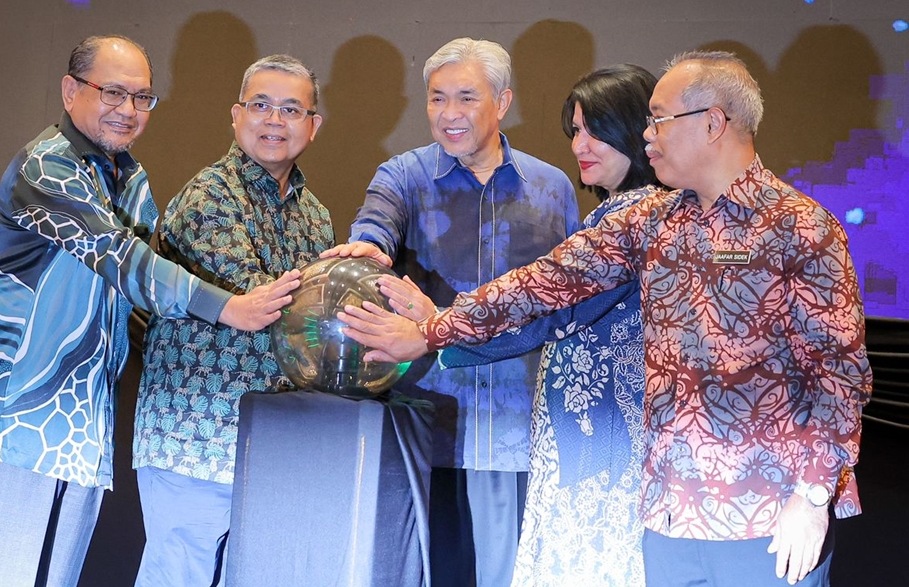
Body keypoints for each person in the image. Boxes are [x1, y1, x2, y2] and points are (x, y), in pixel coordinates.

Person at [338, 50, 872, 587]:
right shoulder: (651, 221)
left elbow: (839, 375)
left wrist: (812, 496)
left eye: (658, 120)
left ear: (713, 123)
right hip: (668, 515)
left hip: (767, 514)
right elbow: (543, 285)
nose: (648, 136)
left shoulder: (800, 227)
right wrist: (432, 330)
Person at [0, 36, 300, 587]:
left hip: (81, 420)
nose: (128, 110)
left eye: (141, 97)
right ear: (70, 91)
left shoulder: (128, 176)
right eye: (112, 92)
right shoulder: (47, 165)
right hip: (12, 412)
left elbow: (147, 287)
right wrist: (230, 307)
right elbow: (119, 258)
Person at [321, 37, 580, 587]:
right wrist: (369, 246)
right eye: (437, 98)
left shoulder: (551, 188)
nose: (448, 114)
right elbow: (375, 223)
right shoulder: (404, 175)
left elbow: (568, 301)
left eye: (466, 97)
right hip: (426, 424)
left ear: (502, 102)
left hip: (517, 432)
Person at [417, 64, 660, 587]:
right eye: (576, 130)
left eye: (596, 131)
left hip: (603, 433)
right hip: (593, 429)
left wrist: (433, 330)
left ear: (638, 131)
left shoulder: (635, 215)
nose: (580, 145)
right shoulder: (632, 212)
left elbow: (545, 304)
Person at [131, 54, 332, 587]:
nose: (274, 120)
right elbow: (259, 297)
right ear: (236, 115)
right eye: (260, 105)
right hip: (193, 435)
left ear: (313, 125)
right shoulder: (210, 194)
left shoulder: (316, 215)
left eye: (291, 109)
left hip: (273, 443)